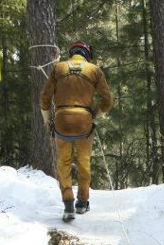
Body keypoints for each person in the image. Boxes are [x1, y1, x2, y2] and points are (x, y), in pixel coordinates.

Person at [39, 40, 114, 221]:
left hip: (62, 120)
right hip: (84, 122)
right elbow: (108, 100)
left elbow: (44, 97)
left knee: (63, 162)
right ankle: (82, 202)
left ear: (72, 53)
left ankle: (68, 204)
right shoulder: (94, 70)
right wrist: (94, 114)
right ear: (87, 54)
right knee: (83, 162)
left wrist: (47, 120)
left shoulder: (58, 68)